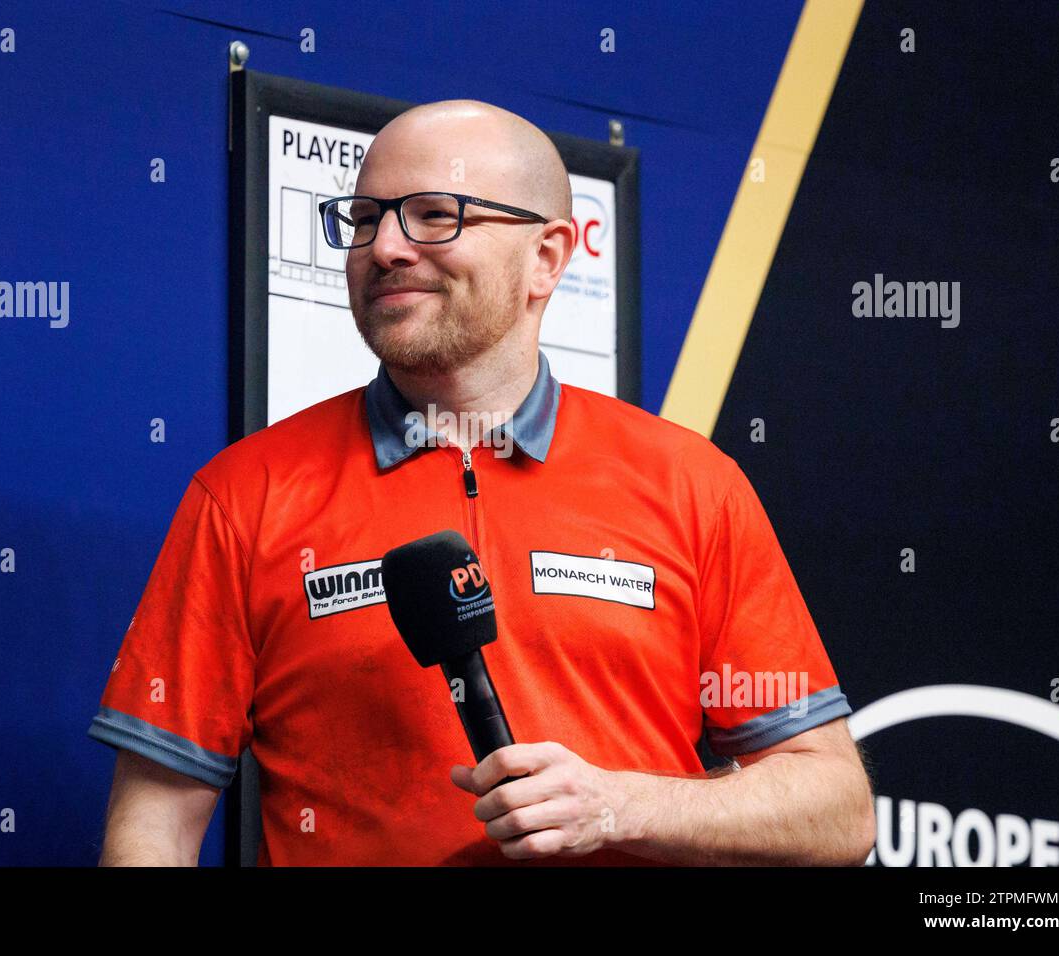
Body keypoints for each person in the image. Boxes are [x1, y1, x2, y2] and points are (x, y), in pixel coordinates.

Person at [87, 99, 875, 866]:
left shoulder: (692, 484)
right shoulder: (246, 494)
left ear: (548, 257)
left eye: (436, 214)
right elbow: (151, 826)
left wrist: (622, 805)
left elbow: (835, 809)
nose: (386, 246)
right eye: (366, 218)